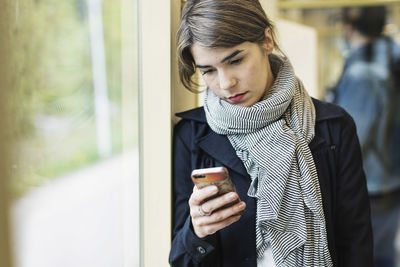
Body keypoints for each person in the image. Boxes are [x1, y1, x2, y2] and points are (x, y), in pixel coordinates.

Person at [169, 1, 373, 266]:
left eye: (236, 60)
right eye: (208, 71)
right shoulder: (191, 136)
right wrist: (197, 233)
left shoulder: (333, 127)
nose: (226, 83)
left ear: (266, 40)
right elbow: (181, 259)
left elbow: (356, 245)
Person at [334, 6, 400, 267]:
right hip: (388, 177)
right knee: (381, 253)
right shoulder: (390, 60)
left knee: (367, 257)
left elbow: (352, 139)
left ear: (349, 29)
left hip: (367, 182)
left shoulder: (363, 74)